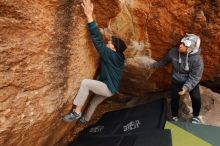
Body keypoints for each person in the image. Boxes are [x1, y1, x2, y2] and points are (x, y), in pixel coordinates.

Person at [63, 0, 127, 124]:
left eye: (110, 43)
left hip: (107, 88)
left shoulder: (111, 55)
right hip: (111, 90)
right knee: (93, 103)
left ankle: (77, 112)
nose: (107, 42)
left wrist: (89, 16)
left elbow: (97, 40)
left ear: (114, 48)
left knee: (85, 83)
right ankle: (85, 120)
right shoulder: (119, 58)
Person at [150, 33, 204, 124]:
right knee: (174, 98)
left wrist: (186, 88)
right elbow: (164, 61)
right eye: (181, 43)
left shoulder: (197, 60)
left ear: (190, 49)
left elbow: (195, 77)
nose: (180, 45)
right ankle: (174, 116)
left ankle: (196, 116)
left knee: (196, 98)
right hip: (176, 79)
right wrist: (153, 65)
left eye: (184, 45)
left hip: (190, 80)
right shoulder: (173, 52)